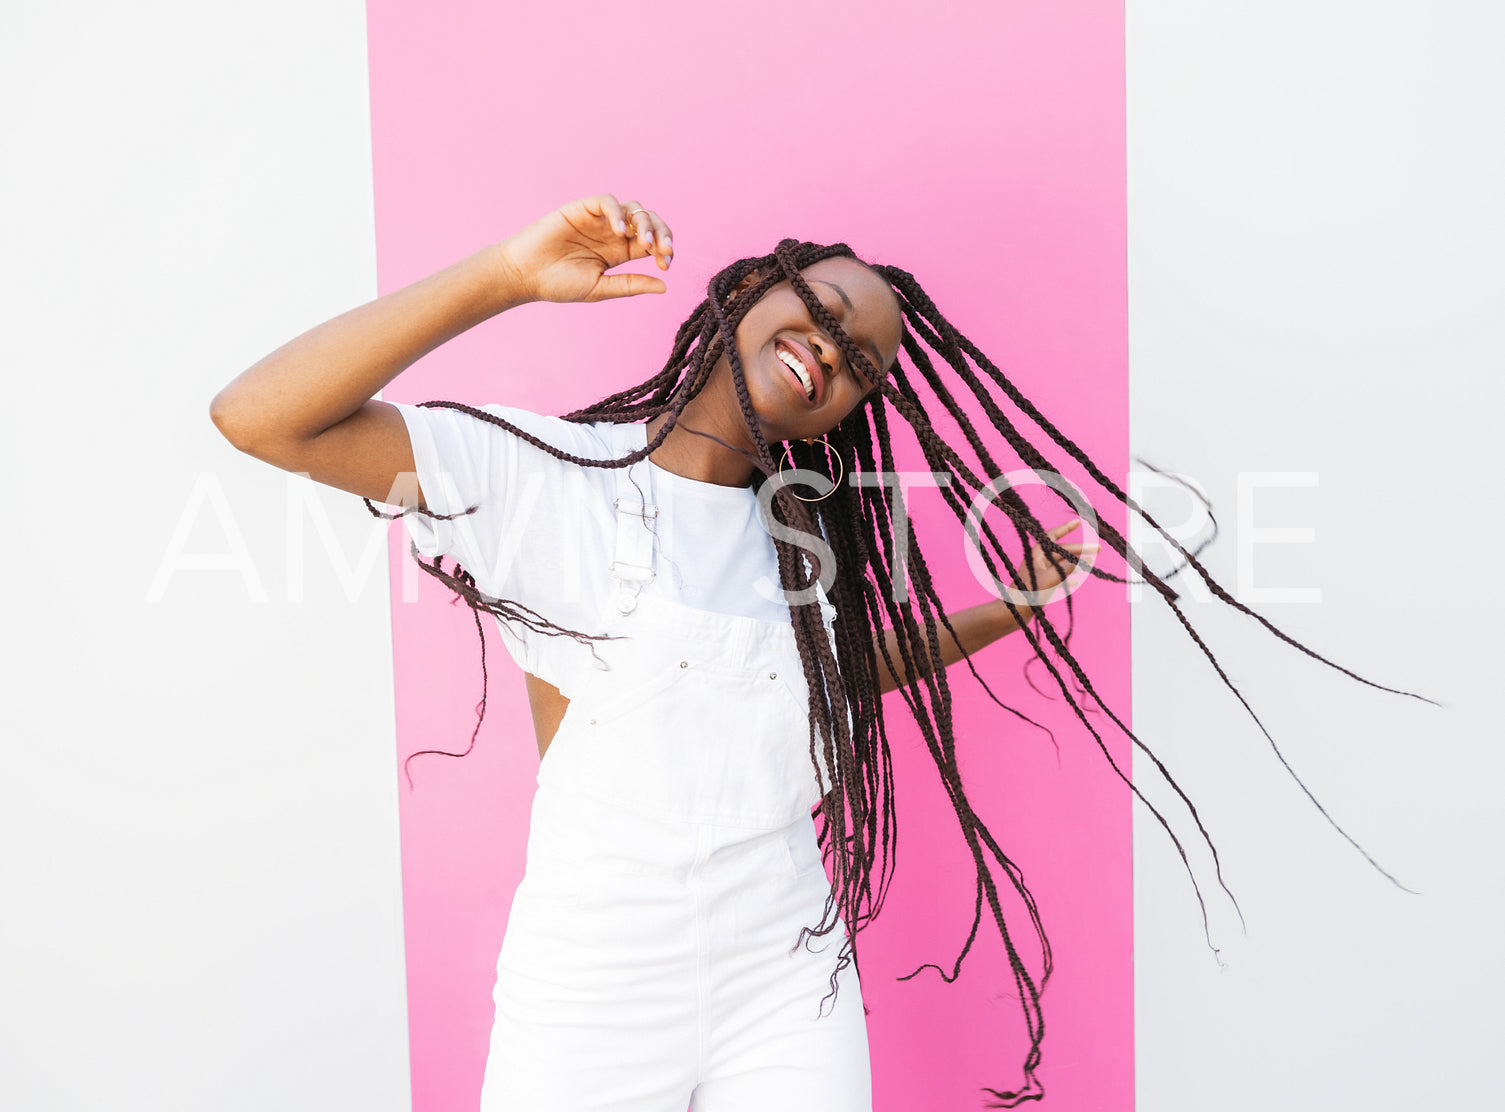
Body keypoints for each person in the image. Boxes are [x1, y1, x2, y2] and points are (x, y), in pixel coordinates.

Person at [209, 193, 1426, 1109]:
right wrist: (506, 275)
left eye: (861, 363)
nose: (831, 353)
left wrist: (1005, 603)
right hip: (592, 986)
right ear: (748, 294)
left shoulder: (803, 544)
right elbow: (261, 415)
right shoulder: (539, 481)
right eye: (821, 314)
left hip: (784, 976)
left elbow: (823, 681)